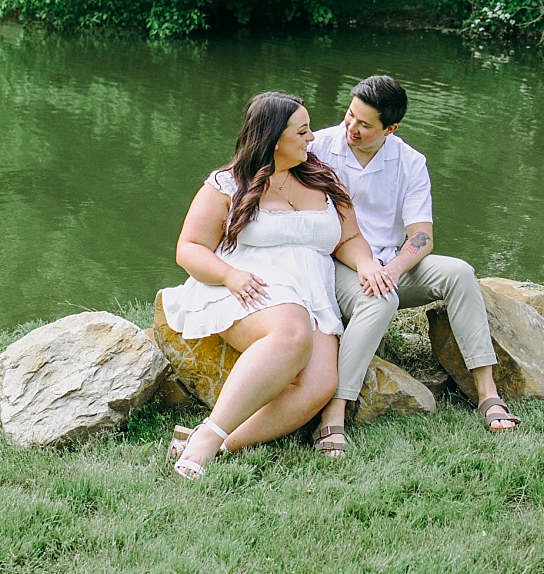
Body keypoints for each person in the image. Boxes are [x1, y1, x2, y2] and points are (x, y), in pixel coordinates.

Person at [159, 90, 378, 478]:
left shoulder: (324, 179)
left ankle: (214, 441)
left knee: (320, 384)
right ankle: (209, 439)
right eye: (303, 131)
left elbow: (349, 238)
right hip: (251, 287)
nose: (313, 139)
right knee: (292, 332)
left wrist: (365, 265)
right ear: (275, 139)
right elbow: (189, 248)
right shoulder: (228, 183)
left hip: (313, 295)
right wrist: (229, 275)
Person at [308, 74, 518, 456]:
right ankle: (333, 413)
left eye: (364, 124)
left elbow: (422, 236)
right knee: (380, 301)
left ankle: (487, 393)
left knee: (459, 273)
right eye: (350, 116)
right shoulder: (319, 146)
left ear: (390, 128)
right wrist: (367, 266)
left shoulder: (409, 161)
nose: (351, 128)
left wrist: (391, 270)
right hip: (335, 264)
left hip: (388, 267)